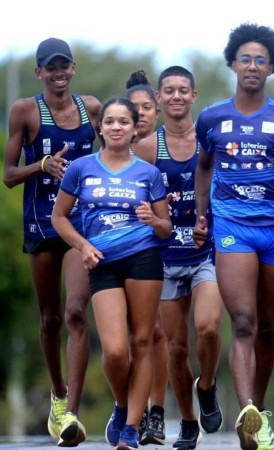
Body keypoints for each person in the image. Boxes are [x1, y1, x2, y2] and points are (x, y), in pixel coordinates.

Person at [193, 23, 274, 450]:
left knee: (268, 326)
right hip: (233, 227)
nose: (252, 66)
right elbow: (203, 167)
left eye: (261, 60)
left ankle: (260, 410)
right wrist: (201, 215)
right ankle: (247, 410)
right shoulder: (212, 118)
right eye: (245, 58)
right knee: (245, 322)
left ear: (271, 68)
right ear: (233, 63)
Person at [51, 97, 172, 450]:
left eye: (124, 122)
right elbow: (59, 217)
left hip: (144, 258)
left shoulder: (148, 174)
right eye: (110, 121)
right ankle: (121, 404)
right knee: (116, 351)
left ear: (135, 129)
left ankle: (131, 427)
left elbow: (166, 227)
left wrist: (155, 220)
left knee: (142, 342)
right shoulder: (81, 168)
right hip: (102, 261)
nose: (116, 127)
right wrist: (83, 246)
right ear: (100, 128)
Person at [2, 37, 100, 447]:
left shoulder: (90, 109)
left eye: (65, 65)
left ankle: (72, 413)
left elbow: (114, 147)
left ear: (73, 68)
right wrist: (42, 164)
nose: (59, 72)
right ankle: (58, 395)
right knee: (50, 319)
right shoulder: (25, 111)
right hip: (41, 226)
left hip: (79, 227)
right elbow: (8, 174)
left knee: (77, 312)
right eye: (50, 67)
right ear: (39, 72)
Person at [134, 65, 225, 450]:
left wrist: (213, 220)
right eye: (168, 90)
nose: (175, 96)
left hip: (206, 252)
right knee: (176, 347)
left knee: (207, 327)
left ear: (194, 96)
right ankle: (188, 422)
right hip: (166, 258)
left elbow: (228, 190)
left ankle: (206, 385)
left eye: (182, 90)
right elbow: (134, 206)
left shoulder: (212, 142)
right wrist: (156, 216)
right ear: (158, 98)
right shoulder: (145, 148)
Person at [125, 68, 170, 446]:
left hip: (163, 250)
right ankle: (126, 409)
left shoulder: (165, 146)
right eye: (132, 109)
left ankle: (155, 412)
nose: (140, 115)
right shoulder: (111, 146)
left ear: (156, 110)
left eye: (145, 108)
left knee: (155, 333)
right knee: (126, 338)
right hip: (117, 253)